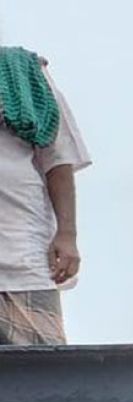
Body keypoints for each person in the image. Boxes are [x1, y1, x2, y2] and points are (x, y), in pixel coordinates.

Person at [0, 46, 88, 345]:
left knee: (42, 374)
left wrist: (67, 234)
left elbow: (58, 159)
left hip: (21, 258)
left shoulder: (23, 72)